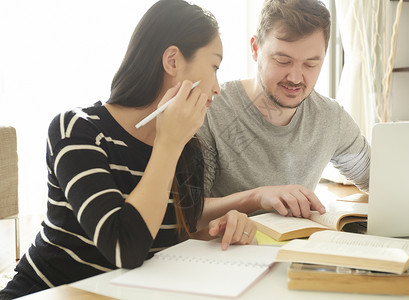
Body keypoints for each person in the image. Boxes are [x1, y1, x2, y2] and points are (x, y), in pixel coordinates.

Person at [0, 1, 256, 298]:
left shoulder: (187, 148)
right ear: (172, 60)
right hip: (47, 293)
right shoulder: (77, 131)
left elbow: (172, 236)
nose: (217, 87)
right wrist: (168, 143)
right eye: (214, 66)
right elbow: (125, 248)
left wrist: (223, 228)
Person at [197, 0, 370, 217]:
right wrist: (256, 197)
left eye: (310, 64)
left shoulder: (331, 118)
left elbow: (378, 181)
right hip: (222, 249)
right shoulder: (211, 110)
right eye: (282, 60)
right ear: (255, 49)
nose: (296, 78)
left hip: (294, 248)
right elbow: (186, 213)